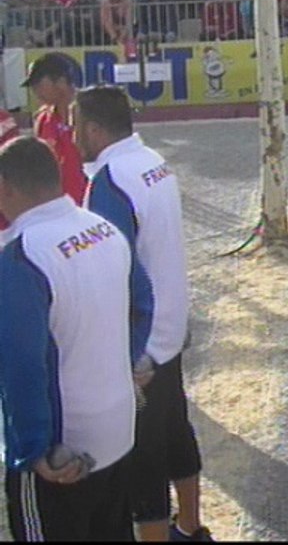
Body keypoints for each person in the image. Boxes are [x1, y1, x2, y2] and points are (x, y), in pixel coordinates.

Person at [71, 86, 213, 542]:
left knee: (143, 465)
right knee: (176, 432)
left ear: (93, 128)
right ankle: (191, 526)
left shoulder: (111, 180)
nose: (73, 138)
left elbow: (111, 270)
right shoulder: (153, 161)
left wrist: (121, 352)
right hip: (171, 327)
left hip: (141, 346)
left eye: (75, 127)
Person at [0, 136, 152, 542]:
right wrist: (128, 362)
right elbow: (143, 302)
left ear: (6, 187)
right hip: (117, 431)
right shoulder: (103, 229)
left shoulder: (21, 256)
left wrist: (33, 449)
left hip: (63, 455)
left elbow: (21, 366)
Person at [22, 53, 88, 203]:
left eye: (38, 85)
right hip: (58, 207)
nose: (35, 92)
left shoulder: (90, 113)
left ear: (61, 81)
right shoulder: (43, 119)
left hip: (90, 205)